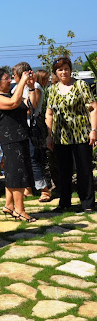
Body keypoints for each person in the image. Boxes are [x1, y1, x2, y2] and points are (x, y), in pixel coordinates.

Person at [45, 57, 97, 213]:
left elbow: (93, 108)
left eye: (66, 69)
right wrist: (49, 135)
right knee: (64, 171)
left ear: (70, 70)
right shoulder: (52, 89)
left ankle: (87, 203)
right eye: (60, 70)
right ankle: (64, 202)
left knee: (84, 169)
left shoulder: (80, 85)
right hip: (61, 137)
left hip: (81, 134)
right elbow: (49, 113)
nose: (63, 72)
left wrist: (94, 130)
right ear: (55, 72)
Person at [0, 66, 37, 222]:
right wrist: (22, 81)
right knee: (17, 174)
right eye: (6, 79)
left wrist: (31, 88)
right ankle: (20, 210)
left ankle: (9, 205)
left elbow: (30, 106)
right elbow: (13, 103)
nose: (10, 80)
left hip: (21, 137)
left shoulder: (11, 94)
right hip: (11, 140)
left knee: (14, 172)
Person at [29, 70, 53, 202]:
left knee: (34, 158)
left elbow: (32, 107)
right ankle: (29, 188)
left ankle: (44, 189)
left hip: (33, 126)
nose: (48, 81)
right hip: (32, 126)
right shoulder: (35, 87)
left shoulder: (36, 87)